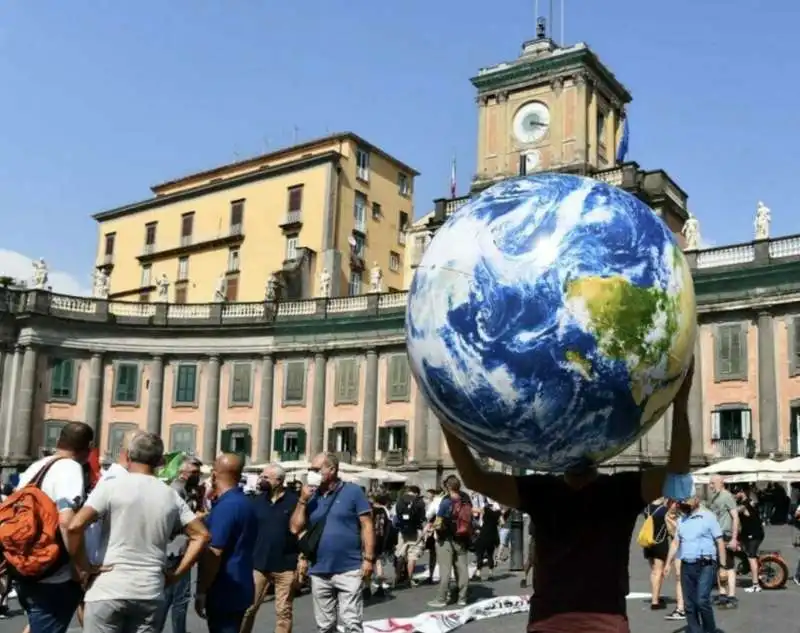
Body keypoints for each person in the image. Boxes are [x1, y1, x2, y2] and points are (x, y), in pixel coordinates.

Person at [443, 361, 695, 633]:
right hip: (601, 625)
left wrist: (446, 418)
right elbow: (678, 469)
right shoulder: (620, 490)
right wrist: (679, 403)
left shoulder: (544, 492)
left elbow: (474, 478)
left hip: (556, 624)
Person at [66, 432, 209, 633]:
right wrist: (176, 575)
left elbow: (74, 526)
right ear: (160, 461)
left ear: (128, 455)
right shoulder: (170, 494)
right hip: (149, 590)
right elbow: (201, 535)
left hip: (108, 587)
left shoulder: (110, 486)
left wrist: (84, 567)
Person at [14, 422, 94, 633]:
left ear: (59, 441)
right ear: (87, 450)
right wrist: (80, 567)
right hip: (53, 574)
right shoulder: (70, 468)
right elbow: (67, 522)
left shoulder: (37, 467)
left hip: (25, 566)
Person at [289, 452, 374, 633]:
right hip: (319, 569)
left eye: (316, 469)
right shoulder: (310, 496)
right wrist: (302, 501)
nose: (311, 473)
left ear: (332, 470)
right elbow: (295, 528)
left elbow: (367, 525)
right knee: (325, 626)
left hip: (349, 567)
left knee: (352, 622)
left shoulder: (353, 491)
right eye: (310, 469)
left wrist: (369, 558)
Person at [196, 454, 258, 633]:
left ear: (215, 475)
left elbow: (214, 552)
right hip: (241, 584)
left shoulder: (227, 506)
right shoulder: (245, 503)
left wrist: (202, 590)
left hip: (224, 589)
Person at [242, 464, 300, 633]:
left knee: (284, 613)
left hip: (286, 565)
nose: (261, 479)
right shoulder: (255, 501)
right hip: (258, 563)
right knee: (248, 608)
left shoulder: (294, 502)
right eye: (262, 476)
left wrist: (302, 560)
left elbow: (301, 531)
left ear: (279, 481)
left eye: (266, 477)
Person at [664, 495, 725, 633]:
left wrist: (723, 567)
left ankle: (710, 630)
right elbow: (675, 543)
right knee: (689, 604)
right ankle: (695, 630)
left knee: (702, 600)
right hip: (687, 564)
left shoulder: (708, 517)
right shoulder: (681, 521)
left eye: (686, 500)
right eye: (682, 501)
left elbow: (720, 542)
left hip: (706, 564)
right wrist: (668, 563)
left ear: (696, 500)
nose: (683, 503)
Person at [157, 457, 204, 633]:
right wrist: (196, 520)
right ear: (182, 472)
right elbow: (173, 521)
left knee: (173, 597)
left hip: (181, 549)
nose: (197, 476)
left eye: (198, 473)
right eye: (193, 472)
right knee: (178, 599)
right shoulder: (176, 490)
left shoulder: (189, 490)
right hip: (175, 550)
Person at [427, 475, 472, 609]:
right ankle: (463, 597)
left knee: (445, 569)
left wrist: (432, 527)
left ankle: (441, 598)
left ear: (448, 487)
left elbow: (439, 521)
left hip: (446, 538)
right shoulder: (466, 498)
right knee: (462, 568)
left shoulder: (446, 501)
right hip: (462, 536)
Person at [707, 474, 739, 608]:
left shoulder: (727, 496)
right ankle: (722, 594)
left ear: (721, 483)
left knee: (729, 566)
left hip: (725, 535)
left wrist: (734, 538)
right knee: (720, 565)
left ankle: (731, 595)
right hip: (716, 536)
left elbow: (735, 517)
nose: (710, 486)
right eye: (710, 483)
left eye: (712, 483)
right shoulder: (715, 497)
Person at [393, 486, 426, 587]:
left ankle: (397, 578)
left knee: (400, 555)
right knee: (412, 556)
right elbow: (423, 518)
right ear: (417, 493)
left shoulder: (400, 501)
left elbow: (396, 516)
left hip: (403, 531)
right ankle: (409, 579)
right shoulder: (420, 502)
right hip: (416, 531)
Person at [641, 498, 670, 609]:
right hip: (660, 542)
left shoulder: (647, 508)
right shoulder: (664, 510)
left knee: (654, 571)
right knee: (659, 571)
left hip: (648, 541)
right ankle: (655, 601)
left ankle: (655, 595)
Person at [735, 487, 765, 593]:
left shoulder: (745, 504)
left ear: (742, 492)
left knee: (751, 556)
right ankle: (755, 571)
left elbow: (735, 511)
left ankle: (755, 585)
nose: (735, 495)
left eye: (737, 492)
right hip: (751, 533)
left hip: (753, 534)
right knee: (744, 551)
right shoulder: (749, 502)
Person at [473, 501, 500, 581]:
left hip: (483, 536)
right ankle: (491, 574)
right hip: (492, 537)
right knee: (490, 555)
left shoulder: (486, 511)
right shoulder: (496, 515)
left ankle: (478, 574)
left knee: (480, 555)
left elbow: (477, 510)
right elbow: (501, 522)